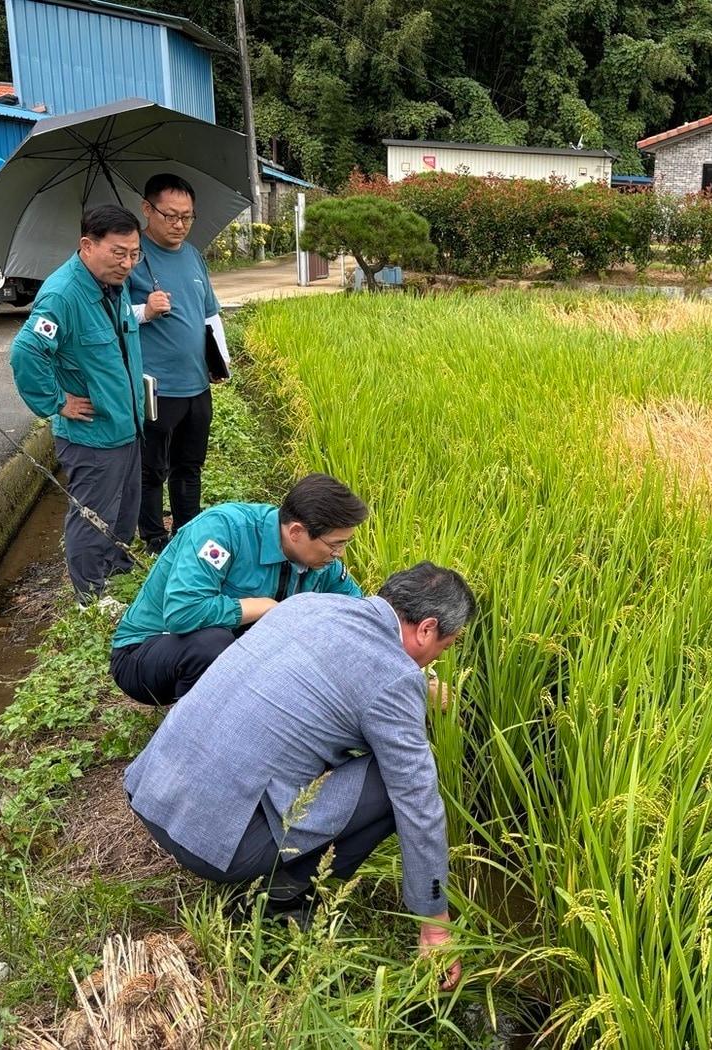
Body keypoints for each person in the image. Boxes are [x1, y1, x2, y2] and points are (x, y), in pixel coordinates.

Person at [124, 561, 475, 989]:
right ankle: (287, 899)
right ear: (426, 629)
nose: (438, 658)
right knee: (395, 786)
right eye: (446, 645)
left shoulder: (307, 605)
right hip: (209, 847)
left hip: (151, 793)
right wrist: (435, 920)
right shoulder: (395, 677)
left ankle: (275, 870)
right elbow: (419, 803)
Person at [109, 472, 368, 705]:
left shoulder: (322, 561)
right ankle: (193, 737)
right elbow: (182, 613)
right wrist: (264, 607)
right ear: (297, 532)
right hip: (147, 653)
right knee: (212, 645)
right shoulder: (225, 531)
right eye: (335, 544)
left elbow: (359, 615)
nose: (339, 553)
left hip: (233, 651)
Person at [10, 205, 146, 601]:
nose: (127, 263)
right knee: (93, 519)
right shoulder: (63, 294)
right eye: (118, 252)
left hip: (126, 426)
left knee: (123, 514)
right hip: (92, 436)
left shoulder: (111, 288)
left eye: (134, 253)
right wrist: (57, 401)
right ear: (87, 245)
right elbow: (26, 352)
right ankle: (91, 595)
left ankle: (119, 575)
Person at [127, 173, 223, 554]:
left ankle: (187, 531)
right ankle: (153, 538)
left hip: (196, 384)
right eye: (170, 215)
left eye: (187, 216)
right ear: (147, 209)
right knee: (151, 468)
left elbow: (210, 315)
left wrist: (220, 362)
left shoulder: (193, 254)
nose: (179, 224)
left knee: (190, 465)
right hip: (156, 386)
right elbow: (109, 316)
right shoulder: (132, 257)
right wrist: (145, 310)